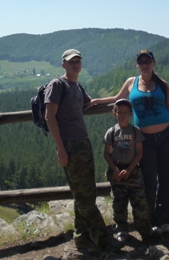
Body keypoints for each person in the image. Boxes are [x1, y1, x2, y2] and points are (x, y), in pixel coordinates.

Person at [90, 49, 169, 234]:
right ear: (137, 65)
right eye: (141, 62)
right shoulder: (131, 83)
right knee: (149, 179)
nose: (144, 64)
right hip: (144, 139)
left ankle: (165, 219)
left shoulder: (162, 84)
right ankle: (150, 220)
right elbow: (117, 99)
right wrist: (97, 101)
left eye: (147, 61)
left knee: (167, 178)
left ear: (153, 63)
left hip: (167, 136)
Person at [44, 48, 123, 252]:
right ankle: (104, 240)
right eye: (71, 61)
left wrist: (119, 101)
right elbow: (49, 117)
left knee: (86, 193)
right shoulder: (57, 85)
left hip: (83, 144)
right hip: (70, 146)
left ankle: (82, 238)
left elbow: (91, 103)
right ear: (63, 64)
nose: (75, 64)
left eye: (78, 61)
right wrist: (61, 149)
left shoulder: (77, 87)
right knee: (84, 196)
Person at [103, 98, 156, 243]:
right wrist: (115, 170)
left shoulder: (135, 131)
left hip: (133, 171)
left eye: (126, 112)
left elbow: (140, 152)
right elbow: (106, 153)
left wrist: (130, 169)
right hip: (116, 172)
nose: (123, 115)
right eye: (119, 112)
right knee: (118, 202)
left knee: (139, 202)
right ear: (114, 113)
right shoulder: (111, 132)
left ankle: (144, 230)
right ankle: (121, 229)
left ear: (131, 114)